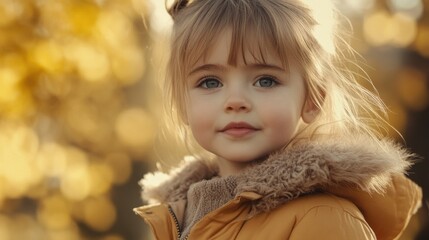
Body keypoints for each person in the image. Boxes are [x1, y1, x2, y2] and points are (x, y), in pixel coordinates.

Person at [134, 0, 422, 239]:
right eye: (210, 82)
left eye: (265, 81)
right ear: (182, 104)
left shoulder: (324, 220)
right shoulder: (178, 216)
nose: (236, 102)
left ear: (313, 99)